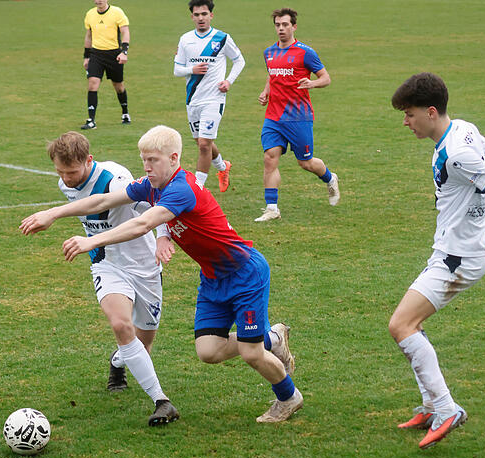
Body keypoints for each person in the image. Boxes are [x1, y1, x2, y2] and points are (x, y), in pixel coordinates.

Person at [20, 125, 301, 423]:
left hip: (245, 274)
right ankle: (273, 339)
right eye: (144, 159)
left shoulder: (181, 188)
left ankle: (288, 397)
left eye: (153, 160)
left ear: (173, 158)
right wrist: (52, 214)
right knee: (208, 351)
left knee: (250, 353)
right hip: (213, 278)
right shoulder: (151, 186)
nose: (146, 167)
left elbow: (143, 224)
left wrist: (92, 240)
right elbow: (103, 201)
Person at [388, 72, 485, 449]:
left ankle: (446, 408)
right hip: (454, 250)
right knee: (411, 324)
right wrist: (474, 200)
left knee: (401, 325)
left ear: (432, 112)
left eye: (409, 114)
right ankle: (430, 404)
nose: (405, 121)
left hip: (459, 258)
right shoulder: (464, 130)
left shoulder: (456, 154)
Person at [19, 131, 179, 426]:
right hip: (106, 262)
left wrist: (163, 237)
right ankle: (162, 401)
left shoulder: (115, 178)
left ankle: (117, 361)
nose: (66, 179)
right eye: (60, 172)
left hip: (144, 266)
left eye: (72, 172)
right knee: (120, 324)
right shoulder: (65, 183)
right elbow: (88, 207)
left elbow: (153, 208)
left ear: (89, 160)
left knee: (141, 345)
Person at [255, 8, 340, 222]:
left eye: (285, 24)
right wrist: (266, 91)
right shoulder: (269, 52)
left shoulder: (305, 52)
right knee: (269, 158)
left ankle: (330, 179)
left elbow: (326, 78)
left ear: (294, 26)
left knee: (306, 162)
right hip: (273, 116)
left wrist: (312, 83)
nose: (281, 29)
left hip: (298, 117)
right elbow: (272, 75)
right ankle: (272, 208)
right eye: (277, 25)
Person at [173, 0, 245, 193]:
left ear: (211, 15)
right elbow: (177, 70)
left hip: (214, 99)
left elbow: (239, 61)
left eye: (204, 14)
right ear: (192, 17)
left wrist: (228, 81)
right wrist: (192, 69)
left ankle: (197, 190)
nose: (201, 18)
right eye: (197, 15)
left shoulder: (221, 38)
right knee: (202, 142)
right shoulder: (186, 39)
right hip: (193, 100)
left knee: (204, 144)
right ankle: (223, 167)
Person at [81, 0, 131, 129]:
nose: (99, 1)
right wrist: (86, 56)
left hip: (114, 55)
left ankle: (125, 112)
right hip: (96, 54)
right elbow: (89, 35)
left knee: (118, 86)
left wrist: (124, 52)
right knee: (92, 84)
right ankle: (91, 120)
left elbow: (125, 32)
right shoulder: (90, 14)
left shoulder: (117, 12)